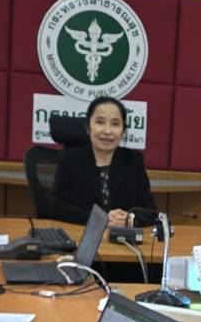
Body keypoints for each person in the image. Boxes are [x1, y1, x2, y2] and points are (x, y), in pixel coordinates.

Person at [51, 96, 156, 227]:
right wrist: (100, 219)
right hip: (82, 234)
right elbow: (57, 208)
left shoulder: (133, 160)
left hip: (121, 237)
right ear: (88, 127)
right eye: (100, 122)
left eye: (115, 124)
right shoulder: (69, 159)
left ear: (123, 131)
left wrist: (130, 219)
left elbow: (150, 211)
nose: (107, 131)